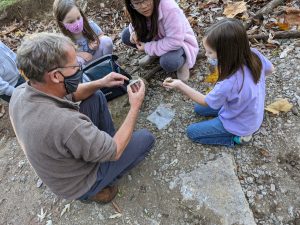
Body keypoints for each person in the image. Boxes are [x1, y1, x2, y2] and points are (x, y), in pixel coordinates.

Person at [9, 32, 155, 203]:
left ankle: (103, 143)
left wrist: (101, 82)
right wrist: (135, 106)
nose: (79, 67)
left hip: (61, 165)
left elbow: (71, 94)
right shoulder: (66, 123)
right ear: (56, 76)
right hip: (78, 183)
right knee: (146, 139)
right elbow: (115, 152)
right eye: (75, 65)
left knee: (95, 95)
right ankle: (94, 190)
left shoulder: (21, 91)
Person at [163, 18, 274, 147]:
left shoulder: (229, 82)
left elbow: (205, 101)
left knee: (192, 132)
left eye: (210, 52)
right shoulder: (254, 55)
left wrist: (180, 84)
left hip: (241, 125)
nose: (206, 55)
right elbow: (270, 69)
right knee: (198, 109)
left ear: (226, 54)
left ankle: (236, 139)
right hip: (251, 112)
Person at [121, 0, 199, 81]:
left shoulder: (170, 9)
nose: (143, 6)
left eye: (145, 0)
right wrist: (134, 32)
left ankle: (183, 61)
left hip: (180, 42)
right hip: (157, 37)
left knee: (168, 62)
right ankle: (156, 53)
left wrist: (148, 47)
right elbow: (135, 22)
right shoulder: (133, 8)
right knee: (126, 36)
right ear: (131, 4)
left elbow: (176, 41)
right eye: (137, 3)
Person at [53, 0, 113, 69]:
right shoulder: (63, 39)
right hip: (84, 66)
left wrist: (97, 41)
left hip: (98, 57)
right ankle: (88, 77)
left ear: (81, 14)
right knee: (76, 61)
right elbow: (65, 57)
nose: (77, 24)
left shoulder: (90, 25)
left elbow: (101, 35)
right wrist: (80, 54)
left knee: (106, 41)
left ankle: (108, 64)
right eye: (71, 22)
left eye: (78, 18)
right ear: (62, 23)